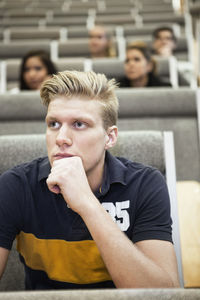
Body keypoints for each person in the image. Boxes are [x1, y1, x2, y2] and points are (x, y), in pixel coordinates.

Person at [0, 70, 179, 290]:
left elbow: (164, 294)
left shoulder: (145, 184)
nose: (61, 138)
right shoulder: (15, 186)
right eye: (54, 124)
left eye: (79, 124)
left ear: (109, 137)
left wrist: (88, 205)